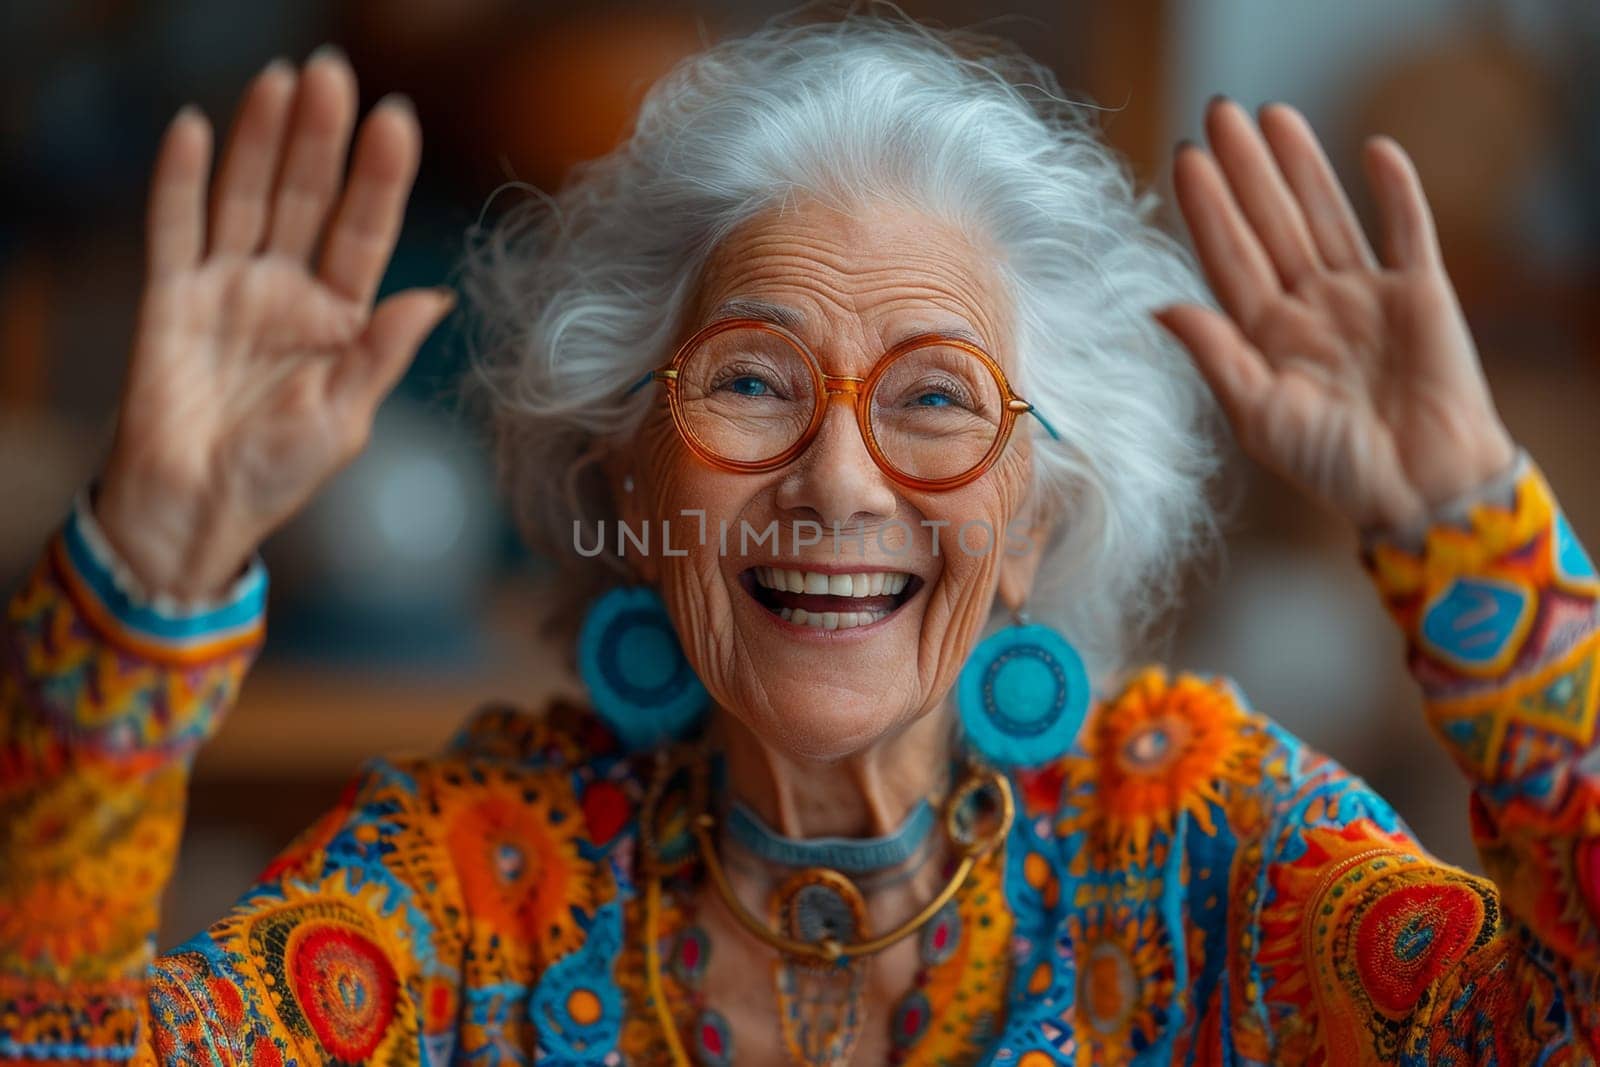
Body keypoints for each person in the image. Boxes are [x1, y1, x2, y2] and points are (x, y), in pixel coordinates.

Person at [2, 14, 1595, 1066]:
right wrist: (146, 564)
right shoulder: (484, 874)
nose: (840, 483)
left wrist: (1473, 538)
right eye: (751, 382)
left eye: (935, 401)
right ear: (623, 465)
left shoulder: (1196, 842)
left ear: (1034, 518)